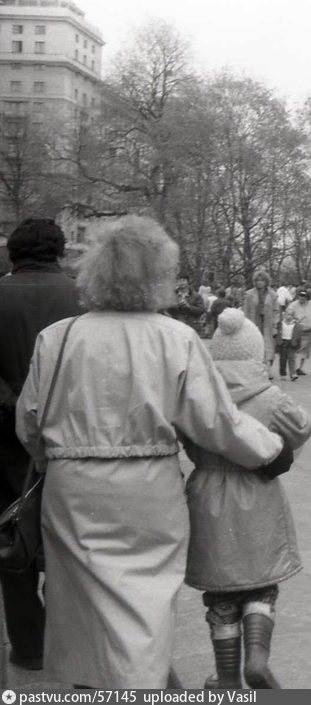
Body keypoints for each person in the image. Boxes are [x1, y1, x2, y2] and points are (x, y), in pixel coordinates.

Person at [14, 215, 294, 689]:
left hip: (72, 491)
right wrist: (270, 450)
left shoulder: (58, 336)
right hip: (147, 491)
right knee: (144, 606)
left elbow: (30, 423)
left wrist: (61, 456)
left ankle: (98, 687)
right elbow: (216, 422)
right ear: (160, 274)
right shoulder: (174, 337)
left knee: (81, 609)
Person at [183, 308, 311, 690]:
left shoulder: (197, 395)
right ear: (256, 352)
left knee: (221, 591)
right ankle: (257, 659)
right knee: (260, 583)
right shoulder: (271, 396)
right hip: (258, 493)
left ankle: (227, 678)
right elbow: (303, 427)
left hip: (207, 494)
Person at [0, 218, 85, 672]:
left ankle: (28, 646)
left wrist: (15, 406)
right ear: (60, 251)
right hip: (73, 437)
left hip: (3, 443)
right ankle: (68, 640)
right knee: (68, 538)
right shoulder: (83, 299)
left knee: (10, 539)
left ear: (14, 253)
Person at [242, 269, 281, 379]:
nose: (260, 283)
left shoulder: (273, 294)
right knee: (255, 344)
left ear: (266, 281)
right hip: (254, 322)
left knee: (268, 345)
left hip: (268, 322)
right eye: (258, 280)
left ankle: (268, 368)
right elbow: (245, 310)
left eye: (262, 280)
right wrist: (245, 325)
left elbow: (276, 311)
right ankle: (256, 369)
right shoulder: (249, 294)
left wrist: (275, 326)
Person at [285, 287, 311, 376]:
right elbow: (288, 315)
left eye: (304, 297)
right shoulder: (293, 305)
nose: (302, 299)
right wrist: (293, 320)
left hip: (308, 330)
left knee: (305, 350)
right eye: (300, 297)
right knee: (296, 349)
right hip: (297, 330)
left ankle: (300, 368)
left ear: (307, 297)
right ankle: (295, 367)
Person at [276, 307, 303, 381]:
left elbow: (298, 336)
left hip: (291, 342)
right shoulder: (281, 323)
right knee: (282, 359)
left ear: (293, 316)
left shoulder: (296, 325)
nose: (289, 316)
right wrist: (278, 343)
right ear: (284, 315)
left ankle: (293, 373)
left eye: (291, 315)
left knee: (292, 359)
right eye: (288, 314)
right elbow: (278, 334)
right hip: (283, 342)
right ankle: (283, 373)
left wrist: (298, 346)